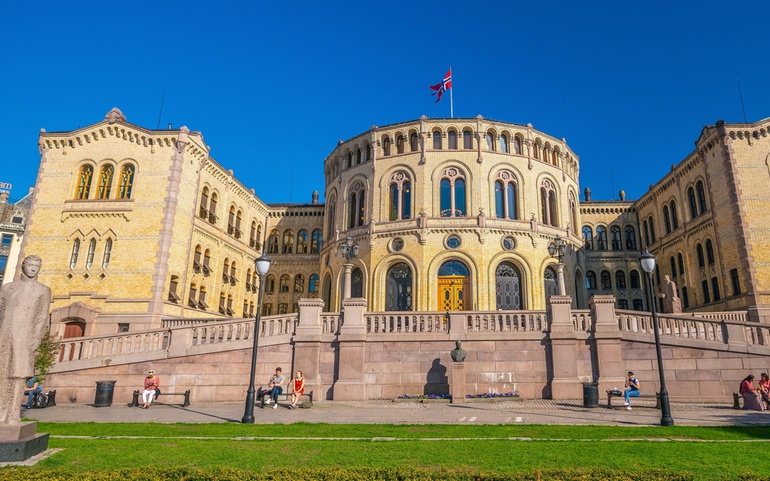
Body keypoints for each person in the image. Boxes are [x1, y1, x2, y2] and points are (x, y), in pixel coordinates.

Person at [0, 255, 52, 425]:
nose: (33, 268)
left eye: (36, 265)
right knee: (2, 374)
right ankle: (2, 411)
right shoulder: (8, 288)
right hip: (5, 336)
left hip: (24, 339)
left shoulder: (42, 290)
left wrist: (36, 339)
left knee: (19, 374)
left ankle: (13, 413)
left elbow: (42, 317)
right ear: (23, 265)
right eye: (30, 265)